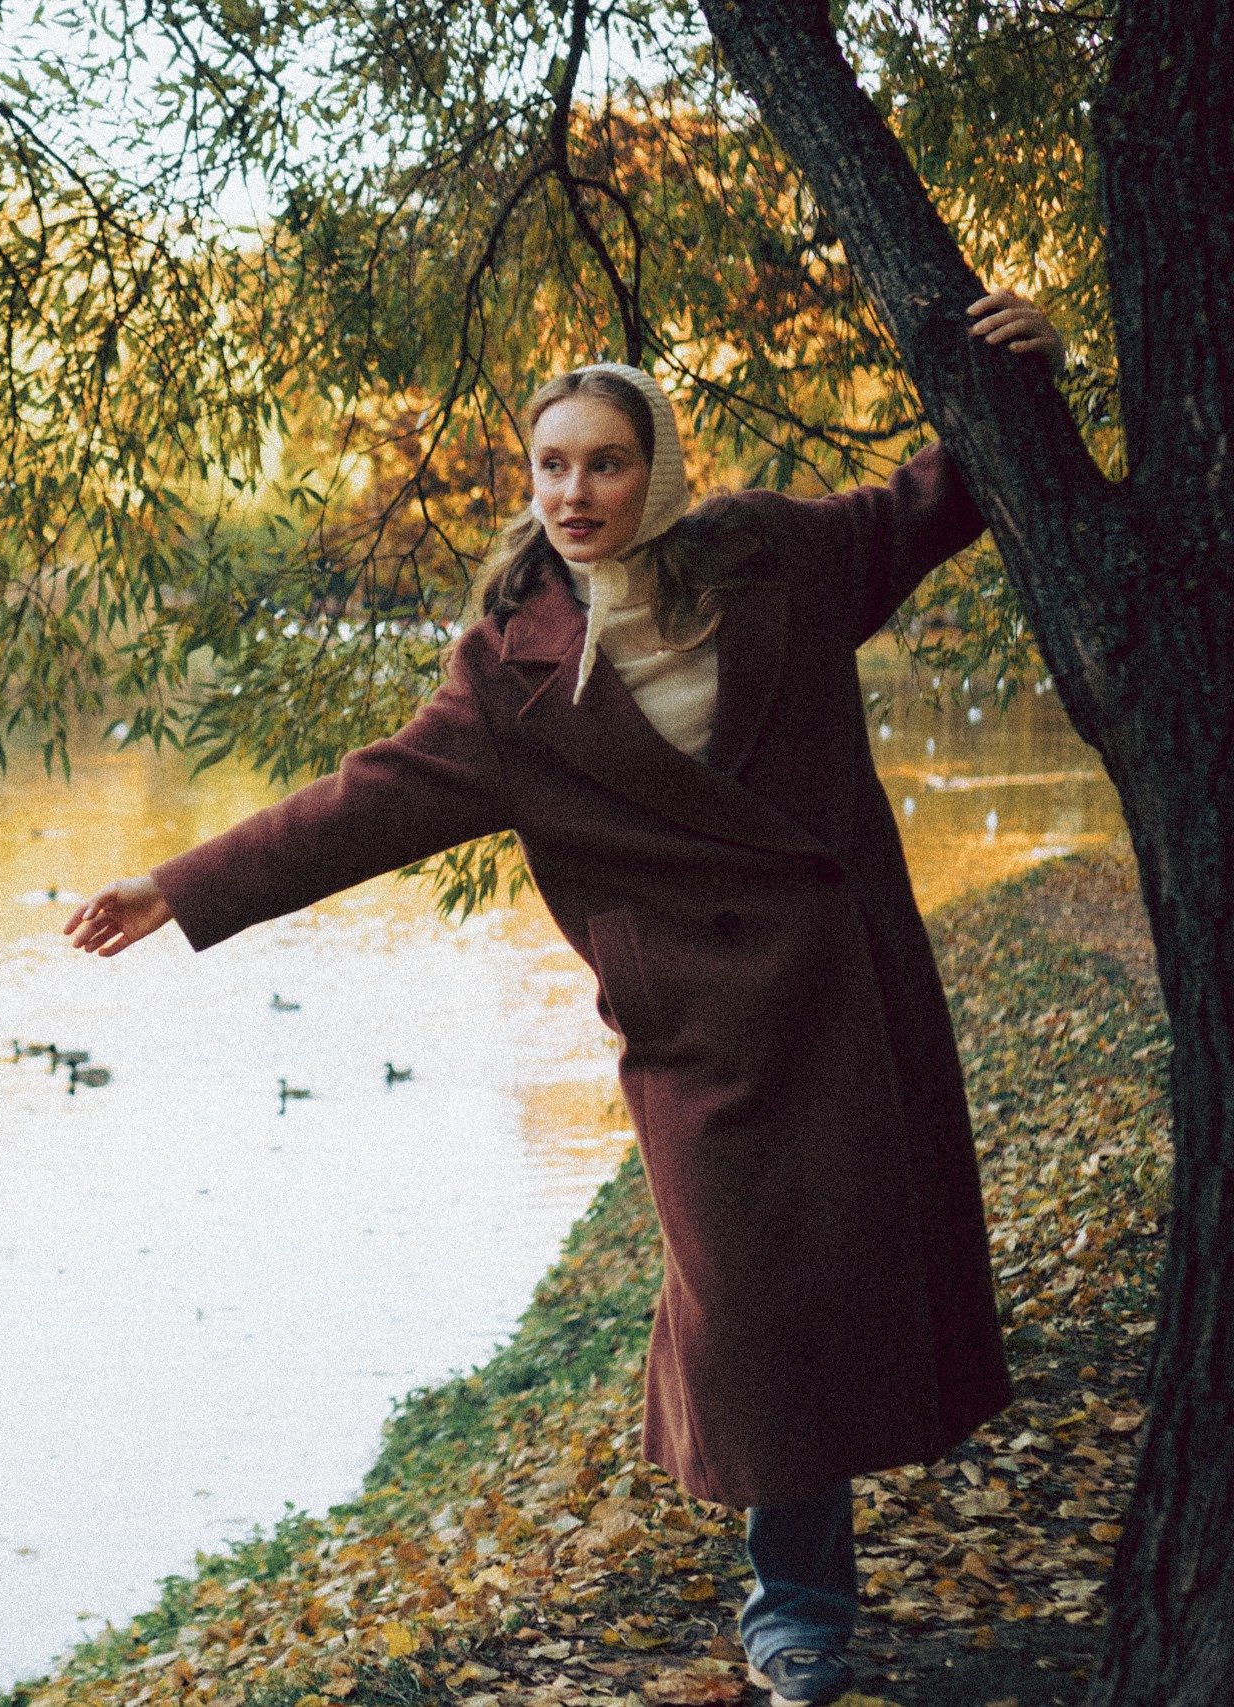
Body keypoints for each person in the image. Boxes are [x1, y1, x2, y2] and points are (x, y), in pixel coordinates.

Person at [63, 292, 1063, 1707]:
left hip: (843, 990)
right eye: (551, 467)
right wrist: (179, 889)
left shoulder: (780, 554)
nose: (574, 492)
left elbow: (938, 498)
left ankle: (816, 1584)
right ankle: (799, 1607)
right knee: (754, 1302)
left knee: (857, 1266)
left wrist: (1019, 378)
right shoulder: (508, 675)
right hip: (698, 1034)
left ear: (656, 465)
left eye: (603, 462)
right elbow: (364, 805)